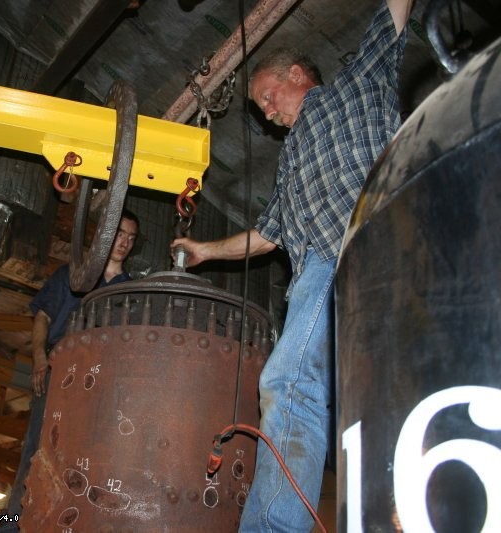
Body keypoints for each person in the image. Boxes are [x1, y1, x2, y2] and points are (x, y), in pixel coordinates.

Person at [172, 1, 413, 531]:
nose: (268, 114)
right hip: (328, 276)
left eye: (268, 98)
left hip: (372, 244)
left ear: (297, 76)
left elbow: (395, 14)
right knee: (318, 390)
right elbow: (267, 234)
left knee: (327, 385)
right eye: (262, 110)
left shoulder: (355, 87)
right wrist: (209, 250)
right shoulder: (290, 163)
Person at [0, 208, 139, 532]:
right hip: (59, 372)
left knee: (88, 453)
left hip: (99, 382)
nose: (124, 243)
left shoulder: (128, 291)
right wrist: (38, 357)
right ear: (104, 234)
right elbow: (43, 317)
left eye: (130, 238)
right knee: (38, 447)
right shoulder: (70, 276)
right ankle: (14, 525)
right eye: (119, 234)